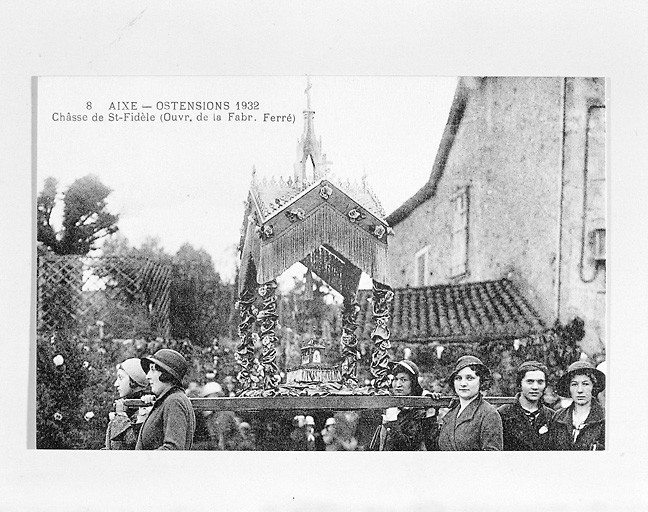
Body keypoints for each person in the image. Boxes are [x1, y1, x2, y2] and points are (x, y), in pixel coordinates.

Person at [370, 360, 439, 451]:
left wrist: (392, 422)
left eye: (403, 380)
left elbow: (406, 448)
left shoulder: (419, 413)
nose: (398, 385)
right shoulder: (389, 406)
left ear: (413, 383)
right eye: (395, 379)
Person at [438, 355, 503, 451]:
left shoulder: (488, 414)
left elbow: (491, 459)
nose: (463, 384)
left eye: (469, 378)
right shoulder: (452, 413)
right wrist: (430, 413)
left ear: (481, 381)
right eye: (458, 378)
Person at [135, 349, 196, 450]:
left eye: (153, 369)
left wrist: (144, 460)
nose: (147, 376)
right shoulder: (167, 400)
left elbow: (173, 449)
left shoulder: (174, 401)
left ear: (166, 374)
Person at [497, 361, 555, 450]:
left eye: (540, 382)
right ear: (520, 384)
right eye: (530, 382)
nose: (535, 387)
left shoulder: (552, 416)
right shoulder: (502, 414)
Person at [548, 361, 605, 450]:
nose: (580, 390)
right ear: (569, 388)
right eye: (574, 384)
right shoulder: (558, 417)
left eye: (585, 384)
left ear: (593, 387)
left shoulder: (605, 418)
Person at [103, 358, 151, 450]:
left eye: (121, 378)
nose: (116, 384)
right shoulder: (125, 407)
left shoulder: (145, 410)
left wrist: (121, 416)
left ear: (134, 382)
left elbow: (132, 443)